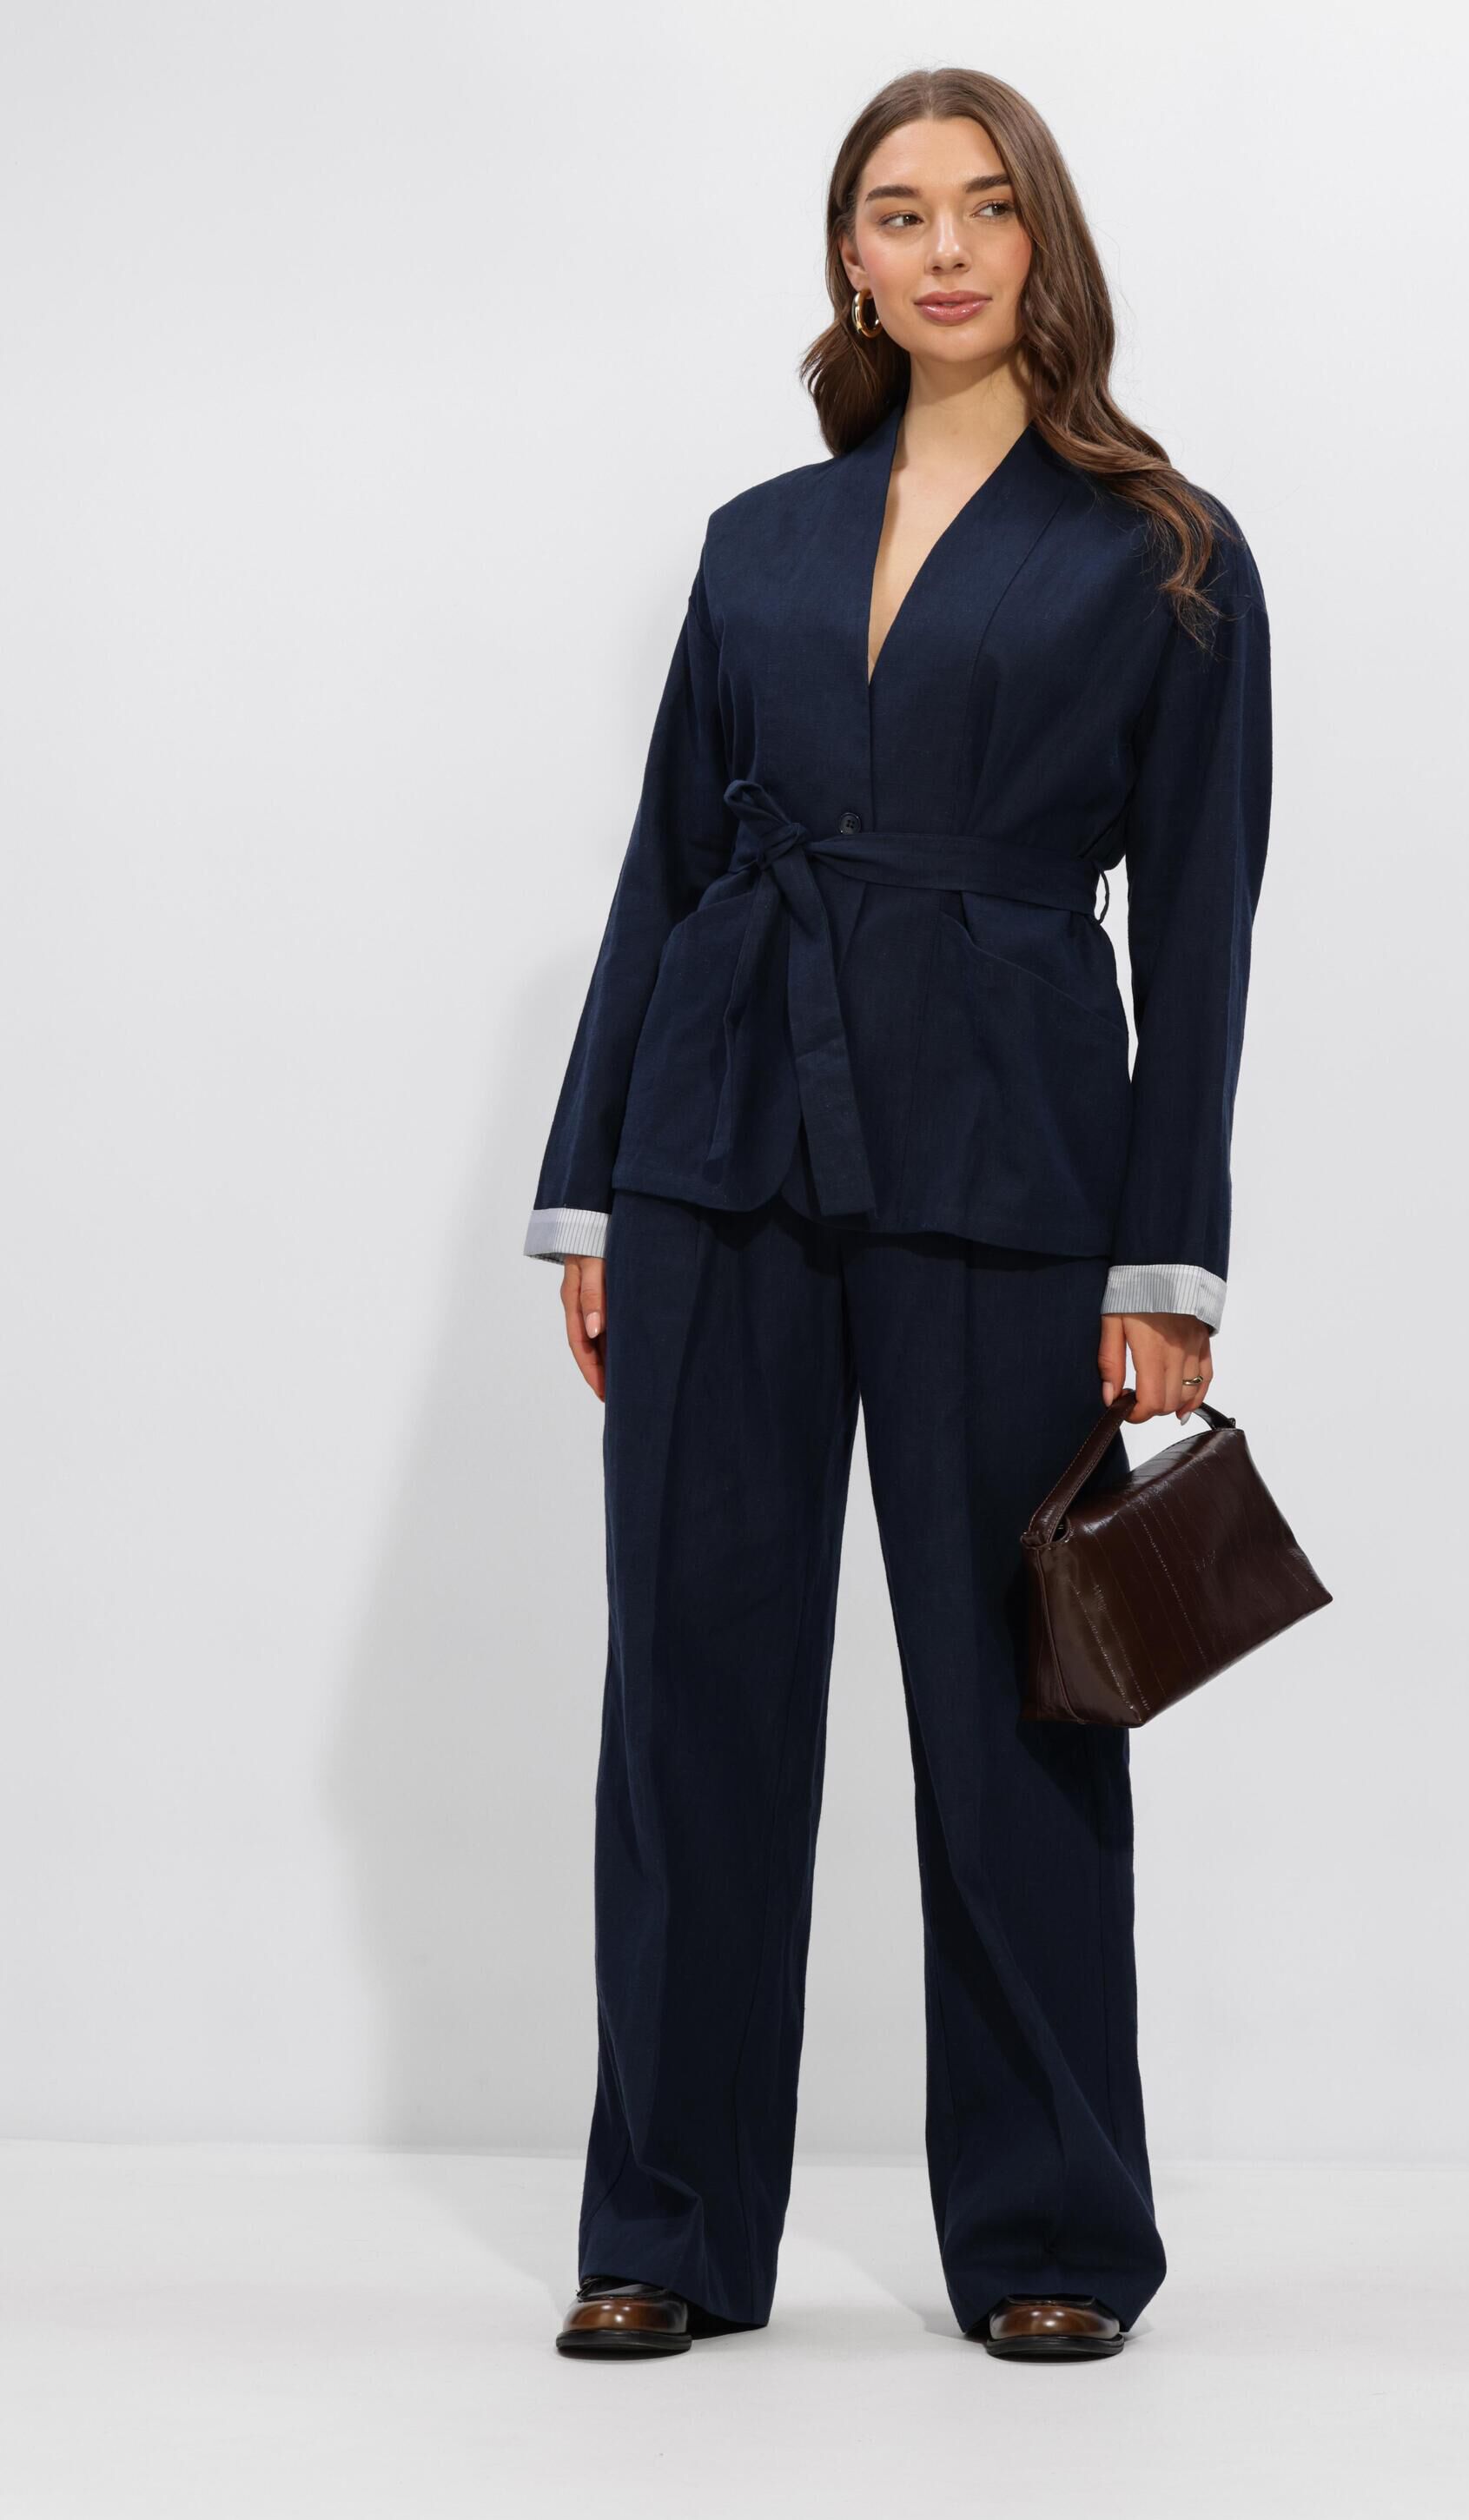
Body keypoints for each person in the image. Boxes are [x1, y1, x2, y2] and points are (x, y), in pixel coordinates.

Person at [523, 65, 1273, 2365]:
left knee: (1021, 1701)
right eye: (894, 211)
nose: (942, 248)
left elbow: (1202, 930)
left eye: (982, 206)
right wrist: (592, 1193)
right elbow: (666, 864)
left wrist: (1166, 1264)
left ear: (1043, 241)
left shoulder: (1164, 551)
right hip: (718, 1145)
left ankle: (1052, 2233)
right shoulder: (758, 539)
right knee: (691, 1697)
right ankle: (665, 2230)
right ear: (848, 259)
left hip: (1009, 1164)